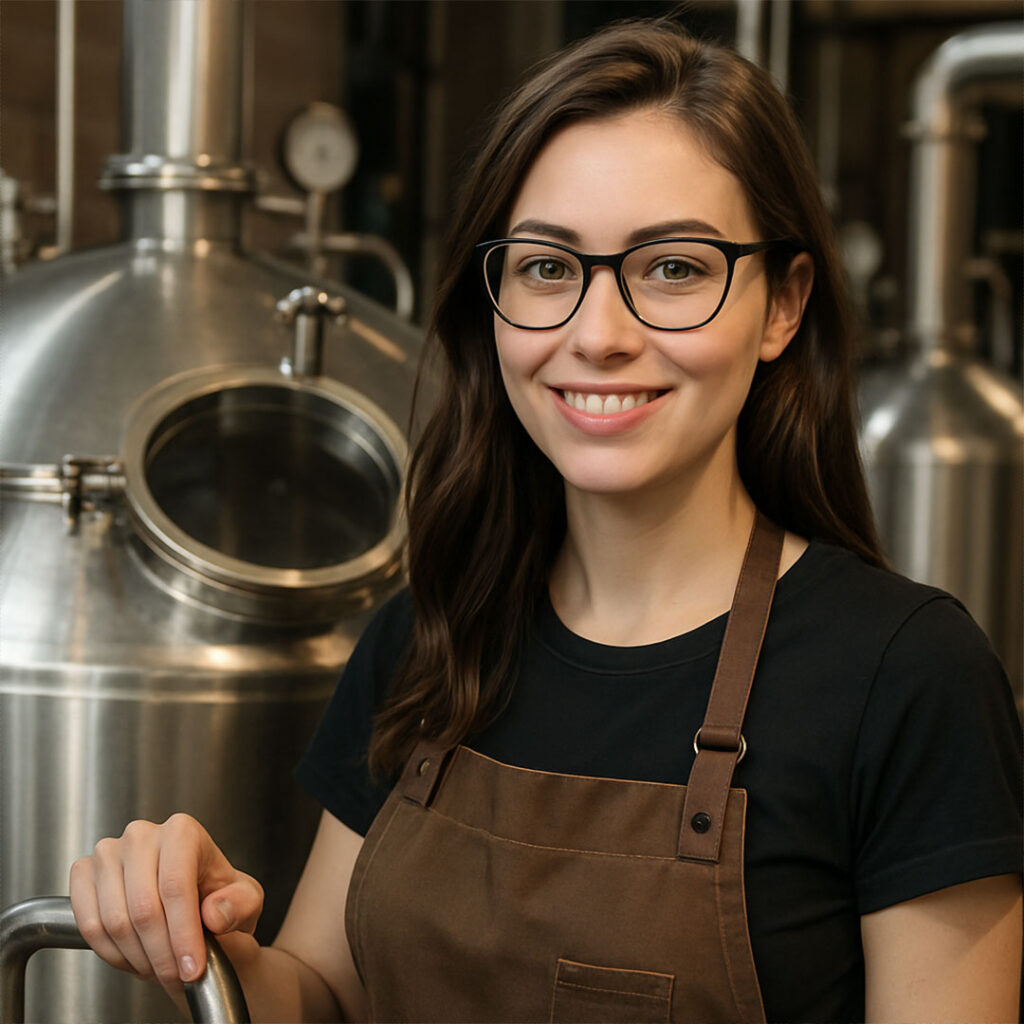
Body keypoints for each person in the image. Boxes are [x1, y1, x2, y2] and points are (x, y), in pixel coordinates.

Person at [69, 18, 1021, 1024]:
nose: (597, 336)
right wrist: (201, 942)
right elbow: (321, 997)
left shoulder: (906, 678)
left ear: (781, 305)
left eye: (673, 268)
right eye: (547, 268)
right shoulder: (429, 633)